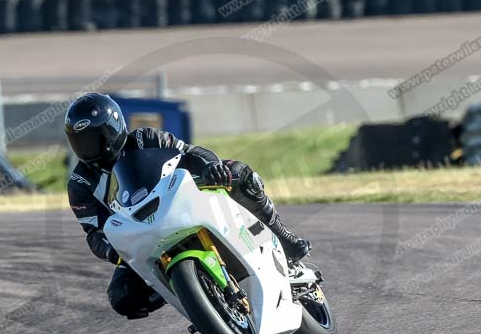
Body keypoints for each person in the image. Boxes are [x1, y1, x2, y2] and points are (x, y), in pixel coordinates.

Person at [66, 93, 311, 320]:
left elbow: (192, 153)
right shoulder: (80, 183)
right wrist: (113, 252)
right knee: (122, 296)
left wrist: (210, 167)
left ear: (112, 129)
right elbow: (94, 232)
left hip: (183, 203)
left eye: (92, 138)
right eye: (79, 141)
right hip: (144, 237)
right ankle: (190, 293)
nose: (86, 147)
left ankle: (284, 238)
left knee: (239, 174)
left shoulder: (145, 138)